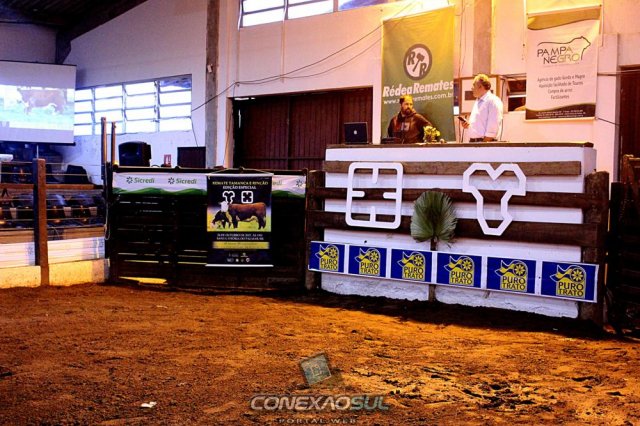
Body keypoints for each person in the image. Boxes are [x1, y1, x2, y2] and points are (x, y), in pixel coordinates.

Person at [461, 74, 503, 142]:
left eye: (474, 85)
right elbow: (480, 126)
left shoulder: (493, 101)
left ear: (480, 86)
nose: (471, 88)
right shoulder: (478, 101)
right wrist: (468, 125)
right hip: (474, 142)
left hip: (484, 143)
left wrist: (483, 144)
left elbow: (493, 127)